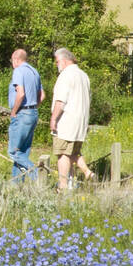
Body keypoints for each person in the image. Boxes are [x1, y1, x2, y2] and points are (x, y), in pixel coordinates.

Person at [49, 48, 94, 191]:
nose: (57, 65)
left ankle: (62, 187)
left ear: (64, 60)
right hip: (80, 122)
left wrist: (53, 119)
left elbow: (60, 101)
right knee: (73, 153)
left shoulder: (66, 75)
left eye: (57, 62)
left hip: (66, 121)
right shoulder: (83, 75)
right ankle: (84, 175)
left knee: (62, 153)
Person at [7, 48, 44, 180]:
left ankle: (38, 175)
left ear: (16, 59)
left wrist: (14, 111)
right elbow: (42, 95)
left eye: (12, 60)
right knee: (22, 152)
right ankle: (16, 186)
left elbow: (20, 93)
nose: (12, 63)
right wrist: (33, 107)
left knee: (13, 152)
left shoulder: (18, 71)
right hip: (33, 113)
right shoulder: (34, 71)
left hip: (22, 114)